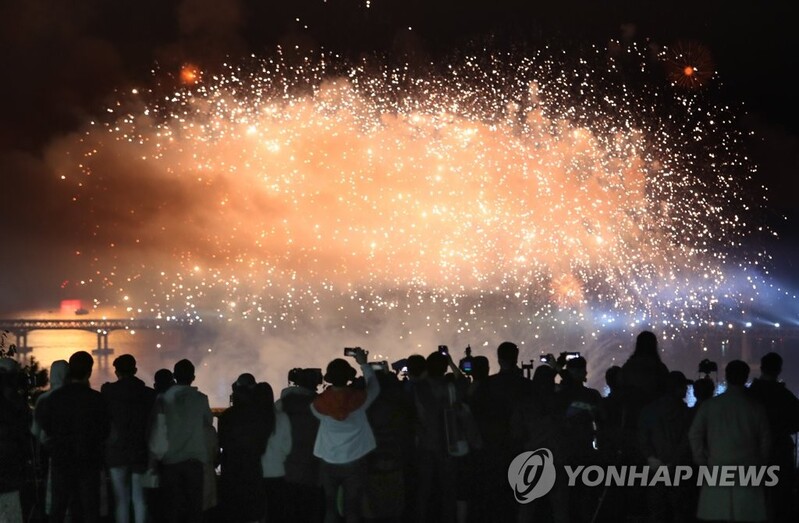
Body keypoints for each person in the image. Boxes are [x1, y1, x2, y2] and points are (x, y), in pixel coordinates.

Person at [689, 360, 771, 523]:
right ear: (746, 376)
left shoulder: (710, 406)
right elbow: (766, 440)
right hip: (748, 470)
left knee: (717, 515)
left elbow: (694, 434)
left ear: (726, 377)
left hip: (717, 468)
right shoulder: (755, 408)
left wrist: (701, 459)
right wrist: (761, 463)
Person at [36, 351, 110, 523]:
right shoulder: (97, 399)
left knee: (58, 509)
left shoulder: (54, 399)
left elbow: (45, 428)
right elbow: (105, 431)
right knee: (89, 510)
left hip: (61, 461)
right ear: (89, 371)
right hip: (89, 461)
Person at [311, 348, 380, 523]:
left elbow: (319, 413)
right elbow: (374, 387)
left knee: (330, 508)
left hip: (328, 461)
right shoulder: (360, 400)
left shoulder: (318, 405)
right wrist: (364, 364)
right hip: (356, 461)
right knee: (352, 508)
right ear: (349, 376)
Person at [158, 359, 216, 523]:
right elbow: (209, 422)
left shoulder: (164, 399)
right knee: (194, 508)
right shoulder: (201, 399)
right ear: (193, 377)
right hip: (194, 460)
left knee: (172, 508)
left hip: (170, 461)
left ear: (174, 376)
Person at [102, 354, 157, 523]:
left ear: (116, 371)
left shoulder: (108, 392)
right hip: (140, 451)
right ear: (135, 370)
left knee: (121, 500)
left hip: (116, 452)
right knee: (139, 499)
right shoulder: (149, 394)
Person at [747, 352, 799, 523]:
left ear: (761, 368)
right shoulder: (785, 395)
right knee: (781, 499)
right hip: (780, 452)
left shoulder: (750, 394)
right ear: (779, 370)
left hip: (752, 451)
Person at [218, 373, 270, 523]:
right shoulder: (260, 415)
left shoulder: (227, 416)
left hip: (231, 469)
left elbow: (221, 442)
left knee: (233, 512)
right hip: (253, 469)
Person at [277, 368, 323, 522]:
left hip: (287, 464)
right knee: (310, 507)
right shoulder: (321, 403)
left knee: (290, 507)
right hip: (313, 463)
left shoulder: (283, 403)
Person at [30, 360, 69, 518]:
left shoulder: (43, 399)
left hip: (49, 450)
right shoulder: (72, 396)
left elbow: (35, 431)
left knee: (52, 492)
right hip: (73, 450)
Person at [257, 381, 292, 523]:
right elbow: (287, 447)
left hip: (256, 474)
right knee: (276, 512)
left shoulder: (251, 419)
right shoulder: (282, 417)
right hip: (277, 472)